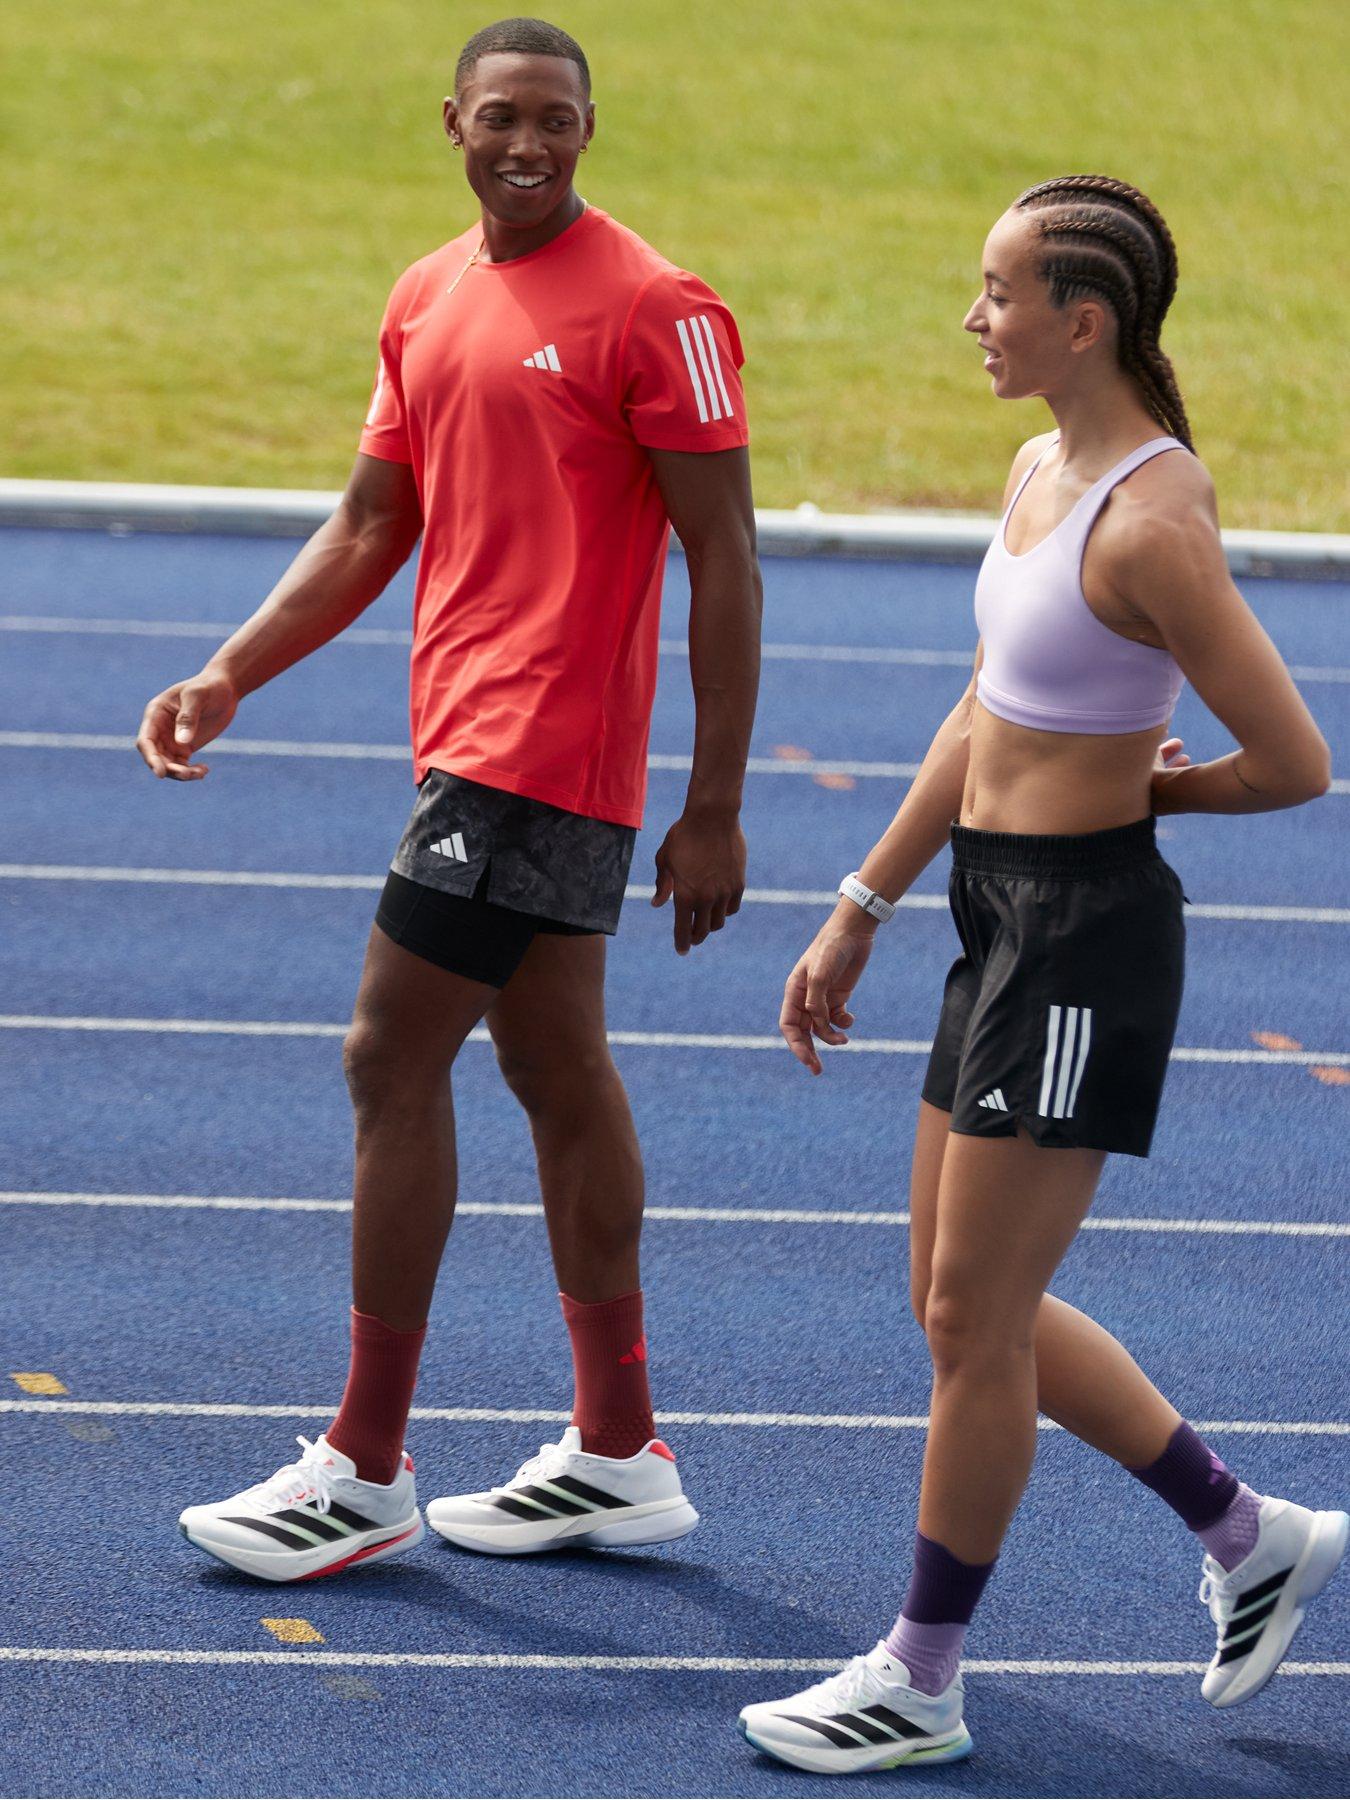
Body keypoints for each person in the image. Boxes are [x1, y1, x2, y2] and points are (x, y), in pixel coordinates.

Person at [138, 17, 761, 1580]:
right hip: (468, 746)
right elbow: (370, 521)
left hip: (536, 758)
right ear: (453, 124)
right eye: (502, 118)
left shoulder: (661, 309)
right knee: (556, 1066)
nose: (527, 144)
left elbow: (725, 558)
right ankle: (617, 1447)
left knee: (385, 1055)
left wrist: (715, 804)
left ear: (590, 129)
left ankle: (363, 1464)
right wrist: (231, 672)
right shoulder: (427, 293)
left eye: (556, 120)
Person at [738, 174, 1345, 1774]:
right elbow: (981, 708)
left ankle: (920, 1677)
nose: (971, 317)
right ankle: (1247, 1532)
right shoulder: (1037, 468)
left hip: (1082, 941)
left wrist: (1160, 787)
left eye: (997, 292)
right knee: (959, 1312)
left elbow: (1292, 761)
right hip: (989, 914)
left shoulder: (1149, 521)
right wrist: (861, 899)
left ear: (1083, 320)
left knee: (971, 1313)